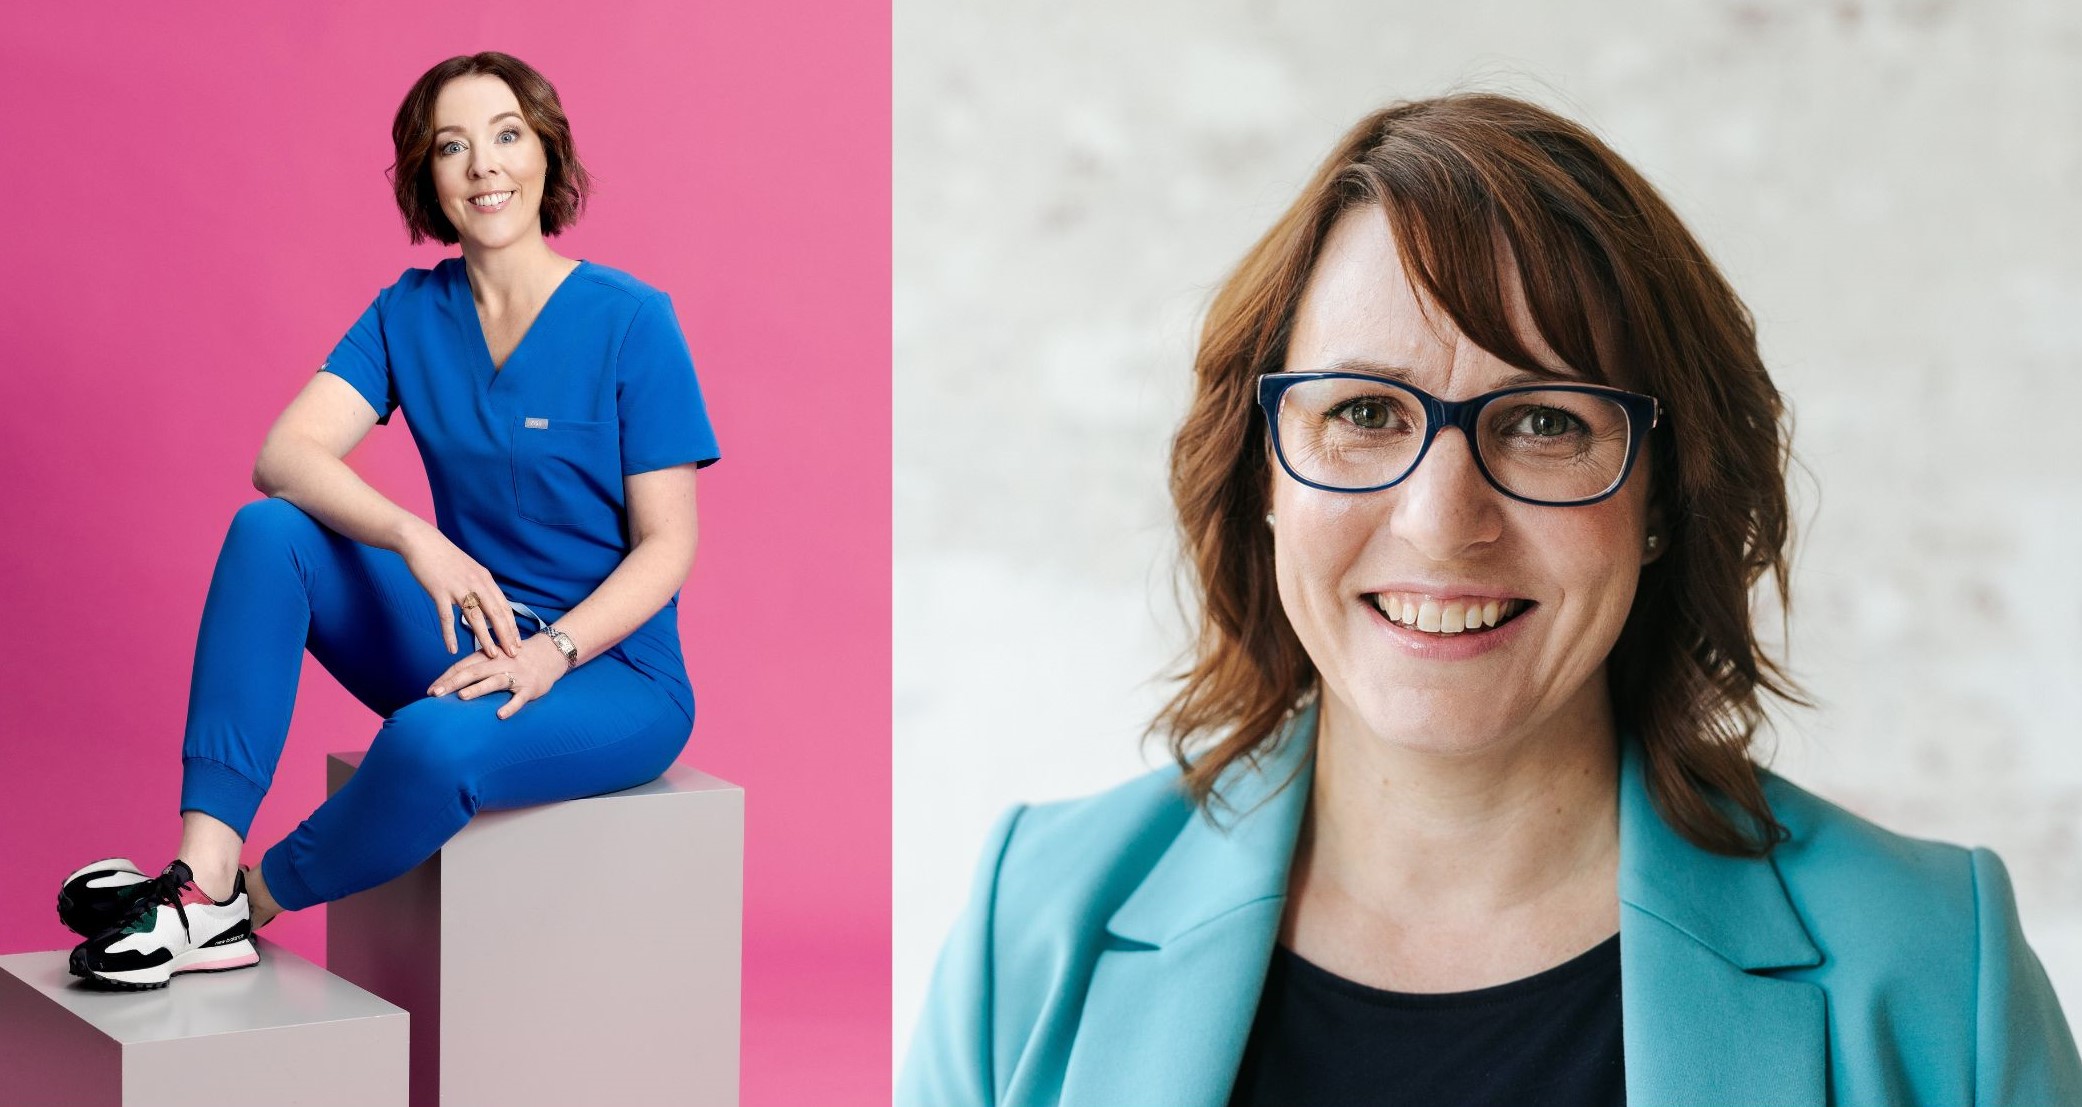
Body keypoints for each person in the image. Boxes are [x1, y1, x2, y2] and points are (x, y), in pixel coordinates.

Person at [898, 93, 2082, 1106]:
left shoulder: (1932, 969)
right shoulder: (1031, 929)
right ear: (1262, 470)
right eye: (1363, 412)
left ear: (1666, 498)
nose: (1442, 521)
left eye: (1546, 424)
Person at [58, 51, 720, 991]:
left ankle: (244, 902)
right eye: (454, 146)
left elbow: (671, 543)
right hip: (472, 630)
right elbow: (284, 453)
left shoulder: (632, 320)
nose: (484, 166)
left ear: (545, 154)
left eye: (506, 137)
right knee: (270, 532)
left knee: (425, 742)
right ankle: (196, 875)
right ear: (429, 177)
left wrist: (551, 652)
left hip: (613, 673)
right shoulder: (409, 313)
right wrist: (417, 537)